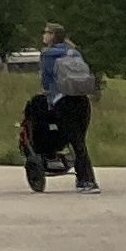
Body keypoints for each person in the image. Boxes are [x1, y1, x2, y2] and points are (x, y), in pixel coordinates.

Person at [32, 23, 101, 191]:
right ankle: (83, 178)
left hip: (63, 100)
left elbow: (47, 80)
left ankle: (87, 180)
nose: (43, 35)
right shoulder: (74, 52)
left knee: (75, 142)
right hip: (82, 100)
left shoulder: (48, 55)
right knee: (79, 141)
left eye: (46, 32)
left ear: (53, 35)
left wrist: (48, 99)